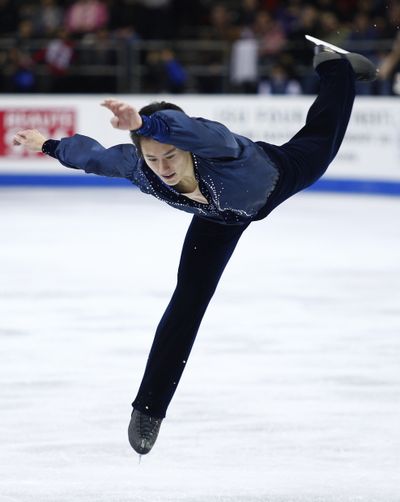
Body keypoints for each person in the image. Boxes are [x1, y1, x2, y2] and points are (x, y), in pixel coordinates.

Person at [13, 43, 377, 456]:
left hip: (275, 178)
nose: (163, 167)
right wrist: (47, 145)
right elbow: (94, 156)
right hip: (218, 218)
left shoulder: (221, 149)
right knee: (187, 302)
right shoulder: (141, 167)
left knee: (322, 136)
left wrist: (149, 122)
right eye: (152, 158)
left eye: (170, 155)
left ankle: (335, 68)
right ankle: (149, 409)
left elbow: (195, 130)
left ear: (186, 147)